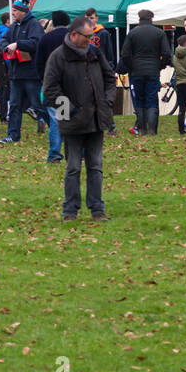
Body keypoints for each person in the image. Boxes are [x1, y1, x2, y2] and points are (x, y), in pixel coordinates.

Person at [43, 16, 115, 222]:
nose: (90, 40)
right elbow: (50, 90)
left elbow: (109, 78)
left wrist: (107, 102)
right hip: (72, 121)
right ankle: (70, 211)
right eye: (87, 36)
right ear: (74, 34)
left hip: (96, 119)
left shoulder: (94, 52)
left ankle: (97, 209)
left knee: (96, 166)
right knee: (73, 166)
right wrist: (71, 110)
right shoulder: (58, 57)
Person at [0, 0, 48, 146]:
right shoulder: (14, 26)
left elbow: (37, 43)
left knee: (38, 105)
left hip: (31, 74)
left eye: (15, 10)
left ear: (23, 11)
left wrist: (18, 44)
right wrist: (7, 47)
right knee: (14, 105)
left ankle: (59, 130)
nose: (12, 13)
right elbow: (3, 39)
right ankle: (13, 135)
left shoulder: (34, 25)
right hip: (15, 74)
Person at [120, 8, 172, 135]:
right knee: (152, 99)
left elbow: (125, 54)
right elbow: (166, 53)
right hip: (153, 71)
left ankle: (142, 129)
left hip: (136, 71)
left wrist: (131, 67)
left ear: (139, 19)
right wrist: (160, 66)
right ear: (151, 19)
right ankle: (152, 130)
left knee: (140, 100)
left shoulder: (132, 33)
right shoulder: (159, 33)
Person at [33, 11, 70, 163]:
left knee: (55, 119)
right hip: (70, 83)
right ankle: (73, 152)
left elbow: (39, 62)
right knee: (70, 118)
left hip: (52, 83)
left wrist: (43, 79)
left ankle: (54, 153)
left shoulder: (45, 38)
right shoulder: (73, 37)